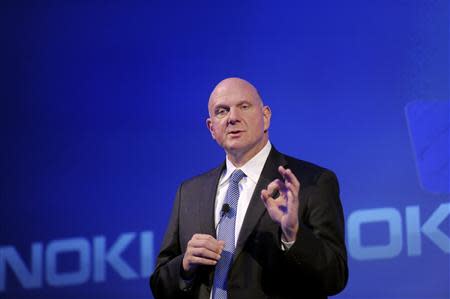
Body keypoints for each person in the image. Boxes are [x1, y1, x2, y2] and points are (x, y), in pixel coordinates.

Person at [150, 78, 348, 299]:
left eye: (244, 107)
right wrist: (185, 266)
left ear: (265, 117)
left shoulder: (312, 182)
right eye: (222, 111)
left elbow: (335, 277)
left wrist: (293, 236)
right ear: (211, 128)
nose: (233, 118)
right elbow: (160, 285)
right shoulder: (189, 192)